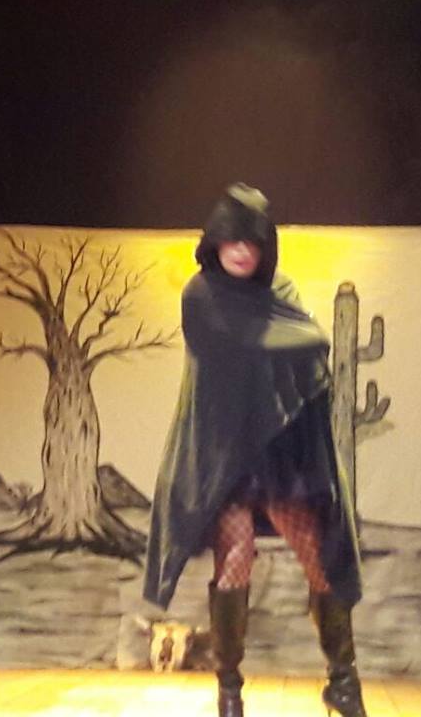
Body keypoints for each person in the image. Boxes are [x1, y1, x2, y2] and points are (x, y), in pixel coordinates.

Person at [143, 184, 367, 717]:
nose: (243, 250)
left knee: (320, 560)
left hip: (281, 452)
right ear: (216, 241)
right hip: (226, 453)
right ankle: (229, 690)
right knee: (235, 559)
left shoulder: (282, 290)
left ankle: (343, 682)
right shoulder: (201, 296)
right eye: (233, 239)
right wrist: (308, 339)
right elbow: (251, 344)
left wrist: (308, 341)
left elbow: (304, 361)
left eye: (254, 241)